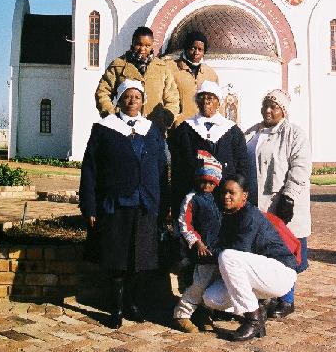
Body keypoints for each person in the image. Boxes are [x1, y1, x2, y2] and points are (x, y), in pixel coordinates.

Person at [80, 79, 168, 328]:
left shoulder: (151, 130)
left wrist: (164, 203)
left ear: (143, 101)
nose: (132, 102)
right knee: (117, 259)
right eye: (127, 97)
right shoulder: (104, 128)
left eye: (137, 97)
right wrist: (90, 206)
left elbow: (162, 168)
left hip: (145, 205)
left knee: (140, 259)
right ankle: (116, 308)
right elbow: (90, 169)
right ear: (118, 99)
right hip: (116, 205)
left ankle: (133, 303)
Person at [203, 175, 297, 342]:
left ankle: (252, 320)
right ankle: (257, 310)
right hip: (259, 275)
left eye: (232, 193)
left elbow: (236, 253)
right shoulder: (228, 215)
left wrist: (207, 252)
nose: (226, 196)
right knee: (211, 297)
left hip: (280, 273)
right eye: (224, 192)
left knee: (228, 257)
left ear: (244, 196)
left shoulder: (249, 216)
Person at [245, 88, 312, 318]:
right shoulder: (252, 133)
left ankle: (287, 299)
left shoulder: (294, 134)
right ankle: (264, 296)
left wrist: (289, 196)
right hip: (257, 204)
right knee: (262, 252)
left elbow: (301, 167)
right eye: (266, 105)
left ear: (283, 110)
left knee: (286, 251)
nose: (268, 110)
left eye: (274, 106)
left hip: (281, 204)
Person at [168, 80, 249, 219]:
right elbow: (177, 169)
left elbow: (242, 166)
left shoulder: (232, 131)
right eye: (202, 98)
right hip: (193, 197)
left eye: (210, 98)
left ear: (219, 102)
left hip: (225, 198)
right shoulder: (185, 130)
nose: (206, 102)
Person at [95, 26, 180, 133]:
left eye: (147, 45)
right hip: (124, 128)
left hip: (154, 129)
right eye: (139, 44)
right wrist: (112, 116)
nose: (142, 49)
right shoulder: (119, 65)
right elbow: (102, 92)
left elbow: (173, 98)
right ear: (133, 43)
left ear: (152, 46)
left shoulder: (162, 67)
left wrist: (166, 118)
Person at [173, 151, 222, 333]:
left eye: (211, 182)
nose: (206, 185)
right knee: (199, 283)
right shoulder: (192, 199)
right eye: (203, 181)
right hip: (201, 250)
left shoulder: (218, 199)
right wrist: (197, 242)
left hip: (216, 250)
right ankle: (182, 313)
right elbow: (184, 223)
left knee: (212, 283)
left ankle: (204, 313)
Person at [170, 31, 218, 127]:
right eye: (193, 48)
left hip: (202, 127)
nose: (196, 53)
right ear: (186, 48)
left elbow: (217, 102)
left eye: (200, 49)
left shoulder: (210, 74)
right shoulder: (171, 68)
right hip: (179, 126)